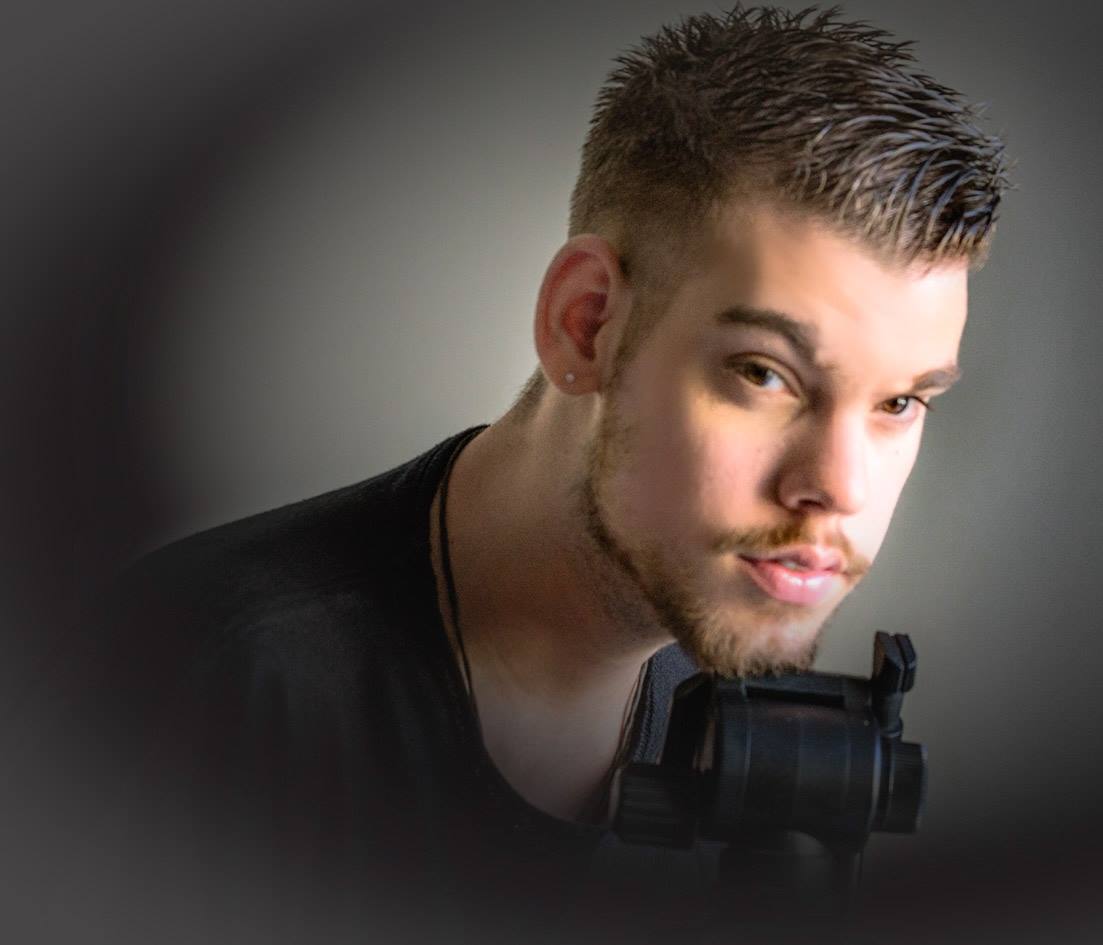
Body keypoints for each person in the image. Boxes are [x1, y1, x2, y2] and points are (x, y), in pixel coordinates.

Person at [72, 5, 1007, 941]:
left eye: (899, 402)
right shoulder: (206, 679)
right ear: (587, 324)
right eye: (765, 374)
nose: (839, 488)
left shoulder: (769, 749)